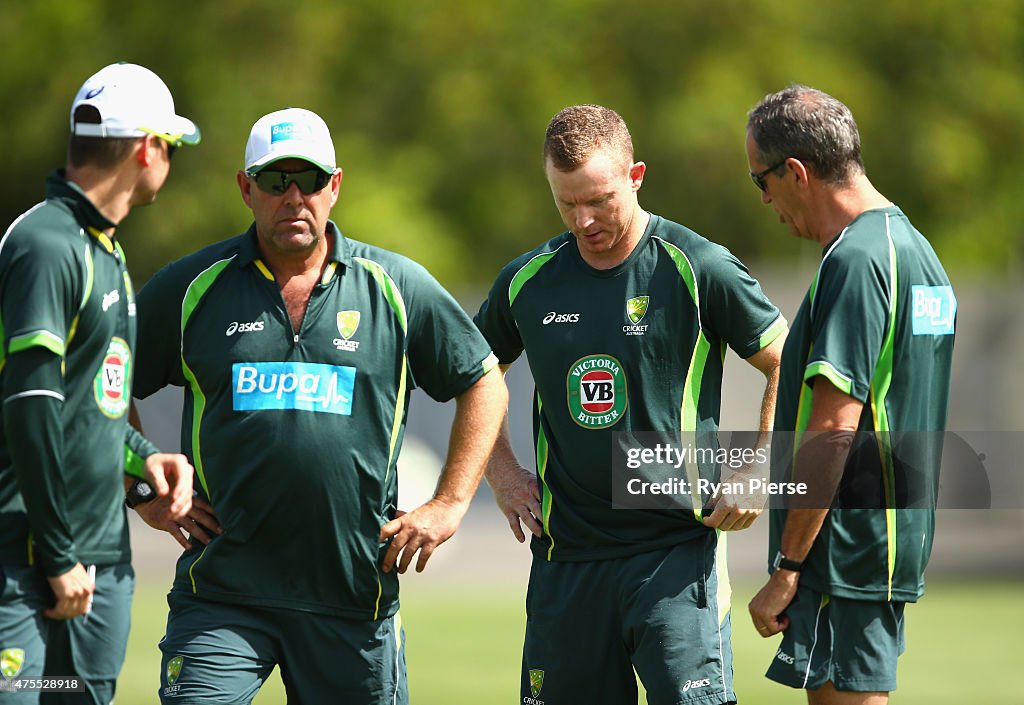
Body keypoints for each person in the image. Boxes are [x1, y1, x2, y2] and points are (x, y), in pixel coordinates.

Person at [131, 107, 508, 705]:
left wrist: (451, 502)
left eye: (308, 180)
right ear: (245, 188)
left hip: (354, 601)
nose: (293, 197)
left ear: (335, 186)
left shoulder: (395, 285)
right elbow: (103, 378)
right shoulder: (192, 286)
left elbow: (483, 380)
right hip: (223, 595)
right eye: (276, 181)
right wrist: (143, 489)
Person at [474, 104, 787, 705]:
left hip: (674, 557)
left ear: (636, 176)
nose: (583, 219)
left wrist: (756, 468)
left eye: (599, 199)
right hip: (566, 563)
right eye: (566, 204)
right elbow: (473, 377)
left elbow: (788, 363)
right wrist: (503, 475)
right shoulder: (527, 281)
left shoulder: (698, 266)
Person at [745, 86, 956, 705]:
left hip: (846, 550)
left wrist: (787, 568)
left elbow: (834, 430)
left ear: (798, 173)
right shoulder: (918, 253)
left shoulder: (855, 261)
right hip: (887, 543)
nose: (763, 200)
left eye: (762, 180)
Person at [0, 63, 199, 704]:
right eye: (168, 145)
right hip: (31, 563)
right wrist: (57, 556)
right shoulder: (45, 242)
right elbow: (31, 408)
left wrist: (146, 461)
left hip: (98, 561)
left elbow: (93, 410)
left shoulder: (104, 250)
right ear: (146, 150)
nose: (169, 159)